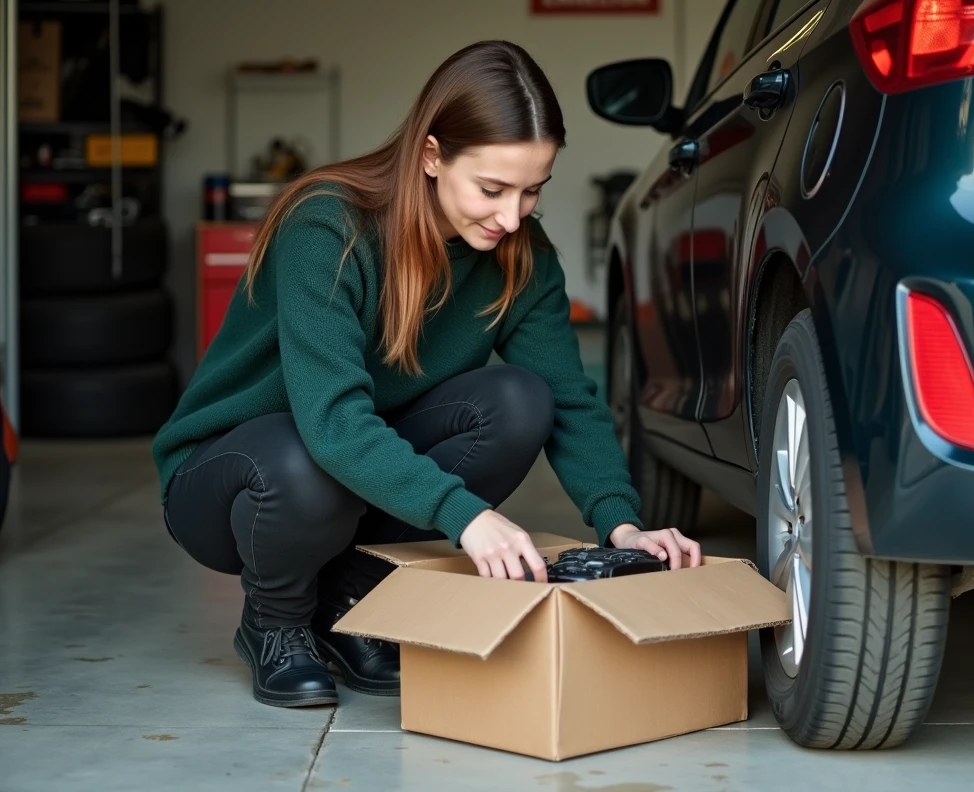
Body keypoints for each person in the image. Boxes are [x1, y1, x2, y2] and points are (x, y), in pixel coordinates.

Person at [151, 40, 702, 709]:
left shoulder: (521, 259)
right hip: (231, 476)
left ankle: (345, 596)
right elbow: (332, 424)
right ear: (432, 156)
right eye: (492, 189)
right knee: (304, 459)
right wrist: (465, 517)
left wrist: (622, 525)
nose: (511, 217)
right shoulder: (326, 226)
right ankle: (276, 620)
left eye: (532, 191)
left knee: (519, 402)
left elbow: (570, 402)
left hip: (339, 463)